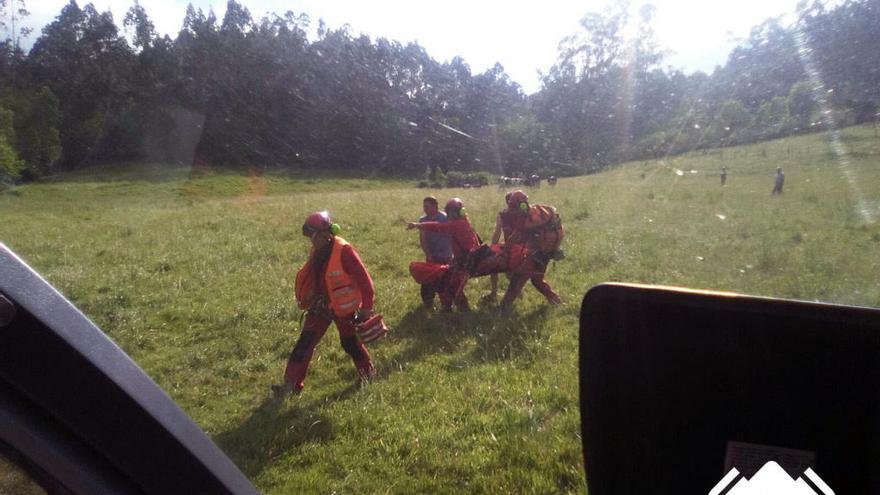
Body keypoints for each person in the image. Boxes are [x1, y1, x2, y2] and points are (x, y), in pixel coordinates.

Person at [273, 211, 376, 397]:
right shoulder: (317, 250)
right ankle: (290, 385)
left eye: (312, 236)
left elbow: (365, 280)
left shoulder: (344, 251)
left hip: (343, 307)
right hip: (320, 306)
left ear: (324, 233)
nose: (311, 241)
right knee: (304, 343)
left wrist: (367, 308)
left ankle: (367, 372)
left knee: (349, 343)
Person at [407, 198, 479, 312]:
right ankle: (455, 309)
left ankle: (456, 310)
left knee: (449, 284)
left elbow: (438, 227)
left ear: (455, 213)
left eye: (450, 212)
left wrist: (417, 225)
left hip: (464, 261)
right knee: (450, 284)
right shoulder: (465, 222)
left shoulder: (457, 225)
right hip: (464, 260)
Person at [499, 190, 563, 308]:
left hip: (539, 251)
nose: (512, 209)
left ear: (521, 205)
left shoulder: (527, 219)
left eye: (513, 206)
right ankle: (557, 301)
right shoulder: (537, 212)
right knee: (537, 279)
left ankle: (503, 307)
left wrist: (503, 251)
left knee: (519, 276)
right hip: (547, 250)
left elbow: (514, 237)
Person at [418, 196, 453, 309]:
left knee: (445, 281)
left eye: (427, 206)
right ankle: (428, 303)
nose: (425, 209)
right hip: (432, 256)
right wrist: (428, 254)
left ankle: (446, 305)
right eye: (424, 206)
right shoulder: (423, 220)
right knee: (428, 280)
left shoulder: (445, 218)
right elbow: (422, 239)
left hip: (445, 255)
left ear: (435, 207)